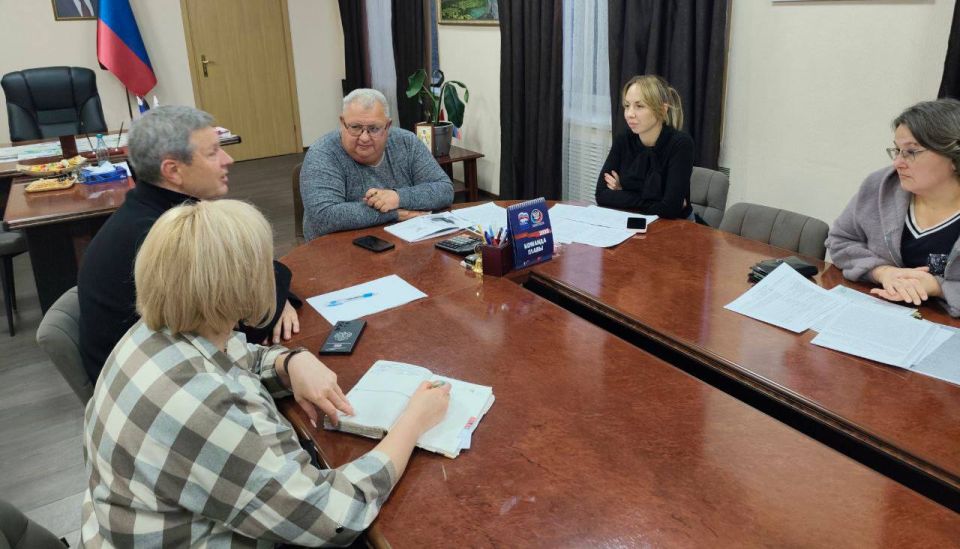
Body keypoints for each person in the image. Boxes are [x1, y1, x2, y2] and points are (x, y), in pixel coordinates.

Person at [80, 200, 451, 547]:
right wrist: (412, 423)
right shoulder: (206, 403)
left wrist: (288, 363)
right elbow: (331, 517)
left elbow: (235, 355)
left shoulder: (155, 332)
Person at [78, 105, 301, 385]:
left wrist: (273, 287)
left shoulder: (151, 211)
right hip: (158, 386)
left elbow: (250, 271)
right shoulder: (164, 237)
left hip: (153, 368)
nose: (228, 159)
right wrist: (275, 290)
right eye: (213, 153)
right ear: (173, 170)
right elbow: (244, 324)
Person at [826, 98, 960, 316]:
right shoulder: (881, 185)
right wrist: (882, 272)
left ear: (954, 157)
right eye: (897, 150)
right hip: (879, 311)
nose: (897, 163)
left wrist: (938, 287)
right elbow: (840, 241)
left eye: (911, 151)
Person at [300, 88, 454, 240]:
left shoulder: (407, 142)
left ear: (388, 126)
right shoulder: (322, 153)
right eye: (355, 127)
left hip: (405, 242)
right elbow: (324, 217)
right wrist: (394, 213)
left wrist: (397, 197)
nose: (364, 138)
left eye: (374, 129)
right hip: (337, 247)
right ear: (342, 123)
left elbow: (444, 189)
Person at [595, 75, 694, 219]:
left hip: (677, 225)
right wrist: (655, 201)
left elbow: (670, 209)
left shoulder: (680, 144)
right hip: (633, 220)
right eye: (627, 106)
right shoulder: (623, 139)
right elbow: (601, 195)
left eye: (639, 106)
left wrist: (622, 193)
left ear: (662, 110)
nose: (630, 114)